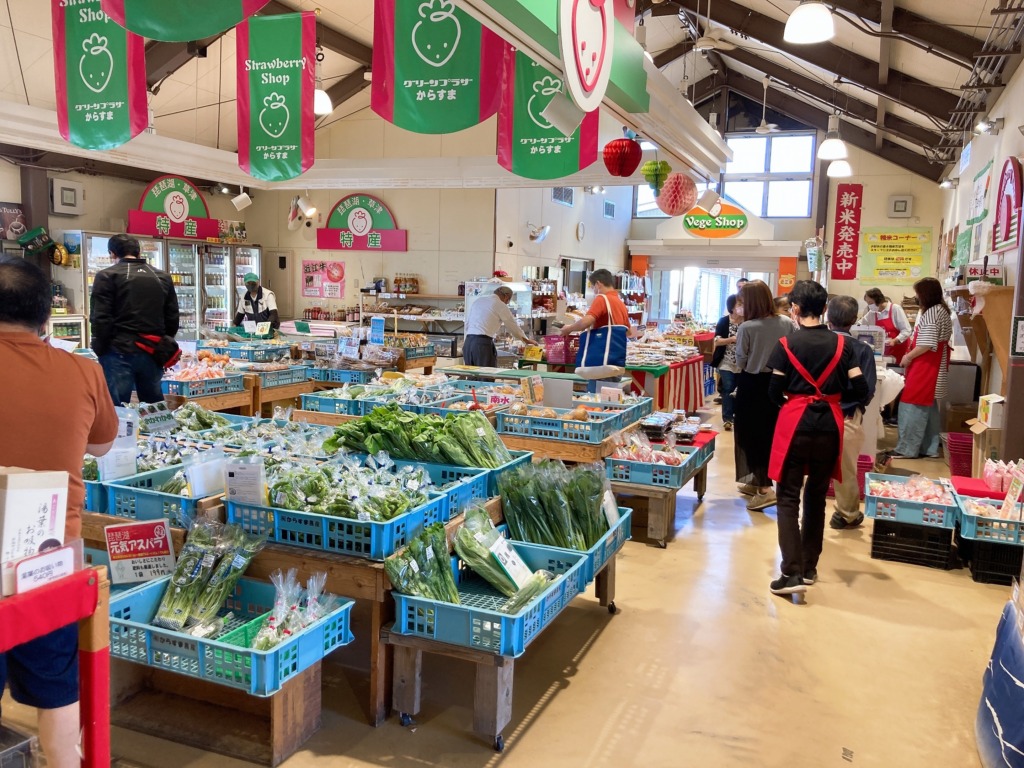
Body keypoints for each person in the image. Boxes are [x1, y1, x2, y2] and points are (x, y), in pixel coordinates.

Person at [0, 257, 118, 767]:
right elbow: (101, 447)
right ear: (48, 313)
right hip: (48, 556)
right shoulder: (81, 371)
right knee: (57, 685)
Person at [766, 280, 869, 596]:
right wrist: (832, 397)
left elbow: (772, 393)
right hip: (830, 427)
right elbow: (862, 390)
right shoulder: (844, 346)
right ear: (825, 309)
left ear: (794, 309)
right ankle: (809, 567)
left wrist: (794, 401)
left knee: (787, 496)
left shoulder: (786, 345)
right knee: (815, 496)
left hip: (795, 425)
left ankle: (791, 572)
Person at [90, 234, 179, 405]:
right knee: (154, 405)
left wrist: (100, 348)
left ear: (112, 254)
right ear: (138, 253)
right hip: (153, 352)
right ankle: (162, 431)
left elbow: (100, 318)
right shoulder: (162, 277)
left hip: (118, 352)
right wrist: (164, 343)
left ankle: (122, 433)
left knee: (118, 407)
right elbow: (172, 317)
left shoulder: (107, 276)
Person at [734, 280, 794, 511]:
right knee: (770, 434)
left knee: (750, 435)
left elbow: (741, 360)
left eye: (741, 302)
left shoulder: (747, 327)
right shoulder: (787, 323)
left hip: (753, 384)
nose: (739, 307)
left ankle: (765, 489)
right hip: (778, 384)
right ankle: (759, 480)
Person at [827, 296, 878, 530]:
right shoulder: (862, 350)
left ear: (828, 316)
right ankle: (846, 513)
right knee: (846, 467)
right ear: (854, 320)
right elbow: (867, 389)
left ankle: (809, 510)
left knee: (811, 465)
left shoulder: (815, 344)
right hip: (846, 415)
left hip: (810, 412)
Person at [893, 277, 953, 459]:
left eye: (918, 294)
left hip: (926, 366)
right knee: (929, 407)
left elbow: (926, 344)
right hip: (933, 364)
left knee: (912, 406)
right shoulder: (941, 310)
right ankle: (930, 448)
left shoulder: (933, 313)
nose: (916, 298)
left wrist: (907, 357)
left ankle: (907, 449)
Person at [561, 269, 636, 392]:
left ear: (598, 284)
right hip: (615, 361)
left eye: (592, 286)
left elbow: (586, 321)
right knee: (610, 401)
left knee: (596, 401)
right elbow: (628, 332)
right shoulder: (620, 303)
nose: (594, 290)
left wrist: (569, 329)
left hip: (601, 360)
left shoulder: (602, 299)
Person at [463, 286, 530, 367]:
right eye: (508, 301)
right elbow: (513, 326)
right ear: (506, 296)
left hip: (468, 342)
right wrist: (526, 340)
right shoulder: (500, 305)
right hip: (482, 344)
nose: (507, 303)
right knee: (486, 375)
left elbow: (468, 322)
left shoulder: (478, 301)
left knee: (471, 375)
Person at [712, 293, 742, 431]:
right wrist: (731, 339)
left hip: (743, 363)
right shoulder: (724, 321)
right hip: (726, 361)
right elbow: (717, 341)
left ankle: (738, 415)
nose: (742, 307)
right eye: (739, 305)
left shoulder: (748, 321)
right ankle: (728, 418)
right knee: (728, 388)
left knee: (740, 389)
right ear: (732, 307)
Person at [860, 287, 911, 365]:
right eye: (868, 304)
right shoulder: (872, 312)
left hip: (899, 350)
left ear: (879, 299)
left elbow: (907, 330)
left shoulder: (895, 309)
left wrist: (895, 340)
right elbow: (860, 324)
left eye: (870, 303)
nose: (869, 306)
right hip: (884, 352)